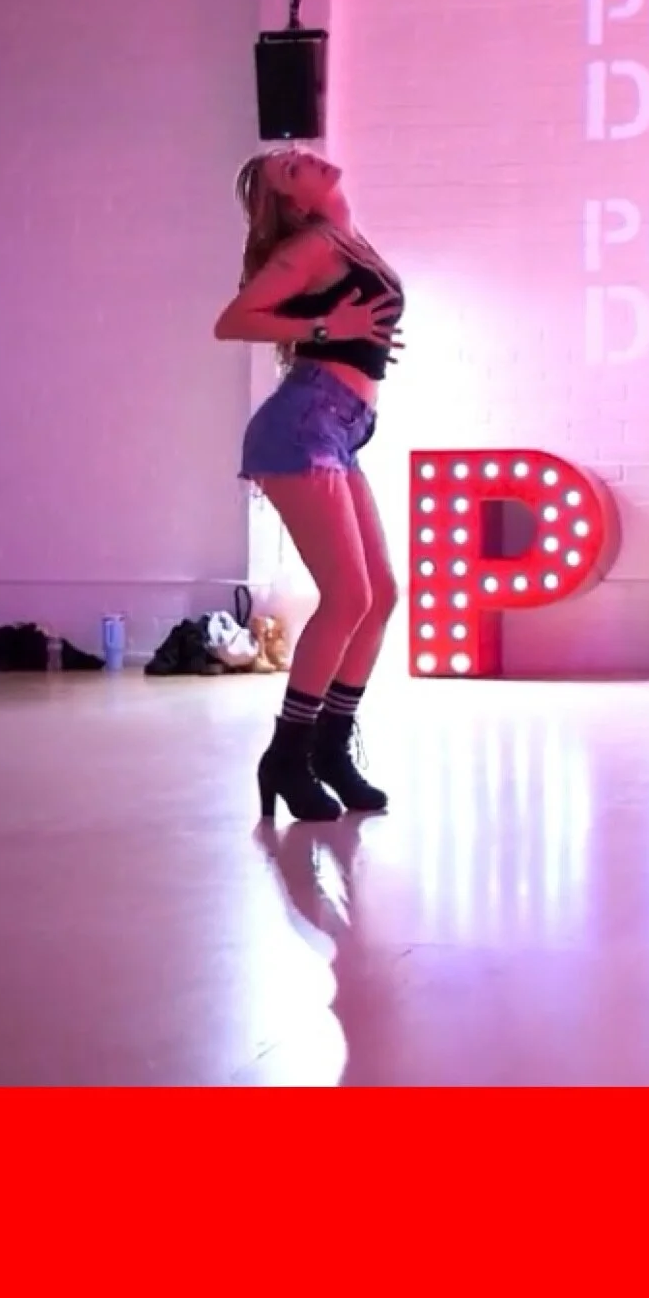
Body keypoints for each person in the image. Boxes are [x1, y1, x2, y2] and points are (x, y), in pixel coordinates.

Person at [214, 150, 405, 824]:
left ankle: (330, 748)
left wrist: (359, 341)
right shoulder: (312, 245)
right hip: (303, 425)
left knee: (380, 596)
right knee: (349, 596)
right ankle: (287, 757)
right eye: (290, 171)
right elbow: (233, 320)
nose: (303, 159)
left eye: (296, 156)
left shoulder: (347, 239)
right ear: (293, 204)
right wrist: (326, 329)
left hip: (342, 426)